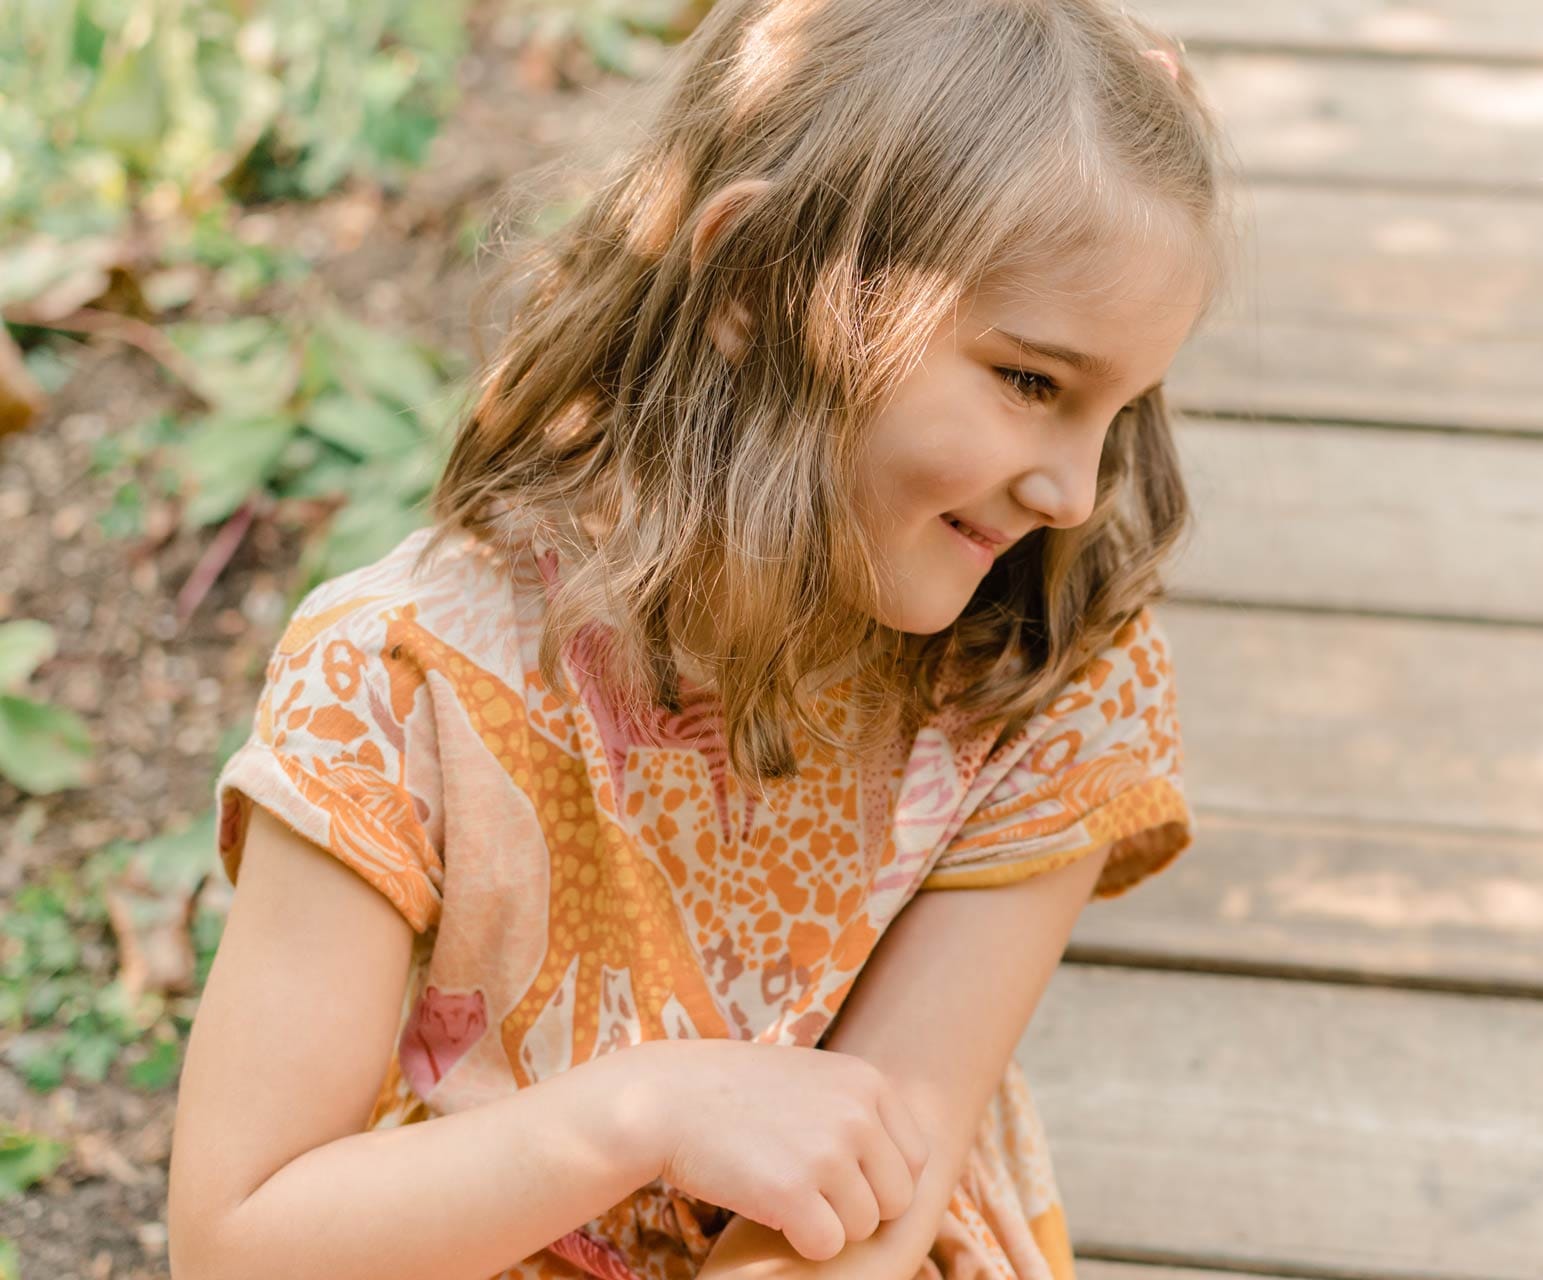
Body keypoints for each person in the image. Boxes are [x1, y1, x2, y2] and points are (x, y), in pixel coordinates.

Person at [166, 1, 1241, 1277]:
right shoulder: (398, 682)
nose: (1074, 490)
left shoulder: (1042, 666)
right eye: (1030, 381)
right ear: (755, 281)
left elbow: (880, 1184)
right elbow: (236, 1240)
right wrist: (646, 1114)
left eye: (1118, 408)